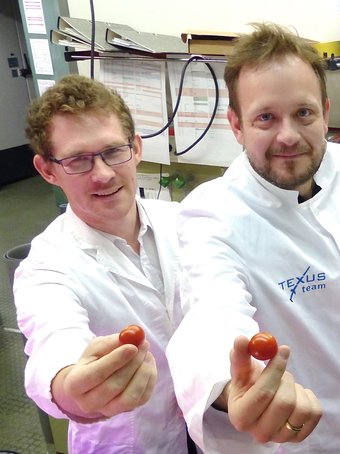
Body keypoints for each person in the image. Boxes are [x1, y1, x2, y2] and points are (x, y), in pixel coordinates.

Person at [166, 23, 340, 453]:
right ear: (236, 125)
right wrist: (234, 385)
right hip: (278, 437)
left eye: (304, 113)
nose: (288, 136)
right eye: (266, 117)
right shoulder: (212, 215)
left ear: (325, 110)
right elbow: (213, 315)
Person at [14, 74, 190, 453]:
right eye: (78, 160)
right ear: (48, 170)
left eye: (113, 151)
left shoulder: (183, 222)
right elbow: (54, 339)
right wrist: (71, 388)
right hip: (131, 443)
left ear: (137, 148)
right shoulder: (48, 265)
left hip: (211, 428)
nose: (104, 174)